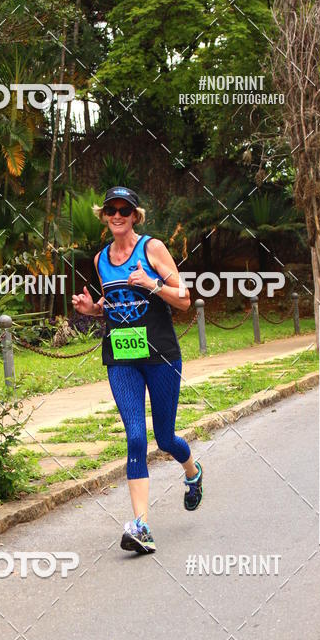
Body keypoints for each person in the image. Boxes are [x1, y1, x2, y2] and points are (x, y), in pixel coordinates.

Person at [71, 186, 203, 554]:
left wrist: (152, 284)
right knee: (134, 437)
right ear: (104, 216)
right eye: (111, 210)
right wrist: (91, 310)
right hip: (122, 358)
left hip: (160, 355)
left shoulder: (153, 248)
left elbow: (184, 299)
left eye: (124, 210)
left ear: (134, 215)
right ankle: (141, 526)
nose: (117, 215)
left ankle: (192, 472)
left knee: (164, 438)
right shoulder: (100, 259)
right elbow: (110, 305)